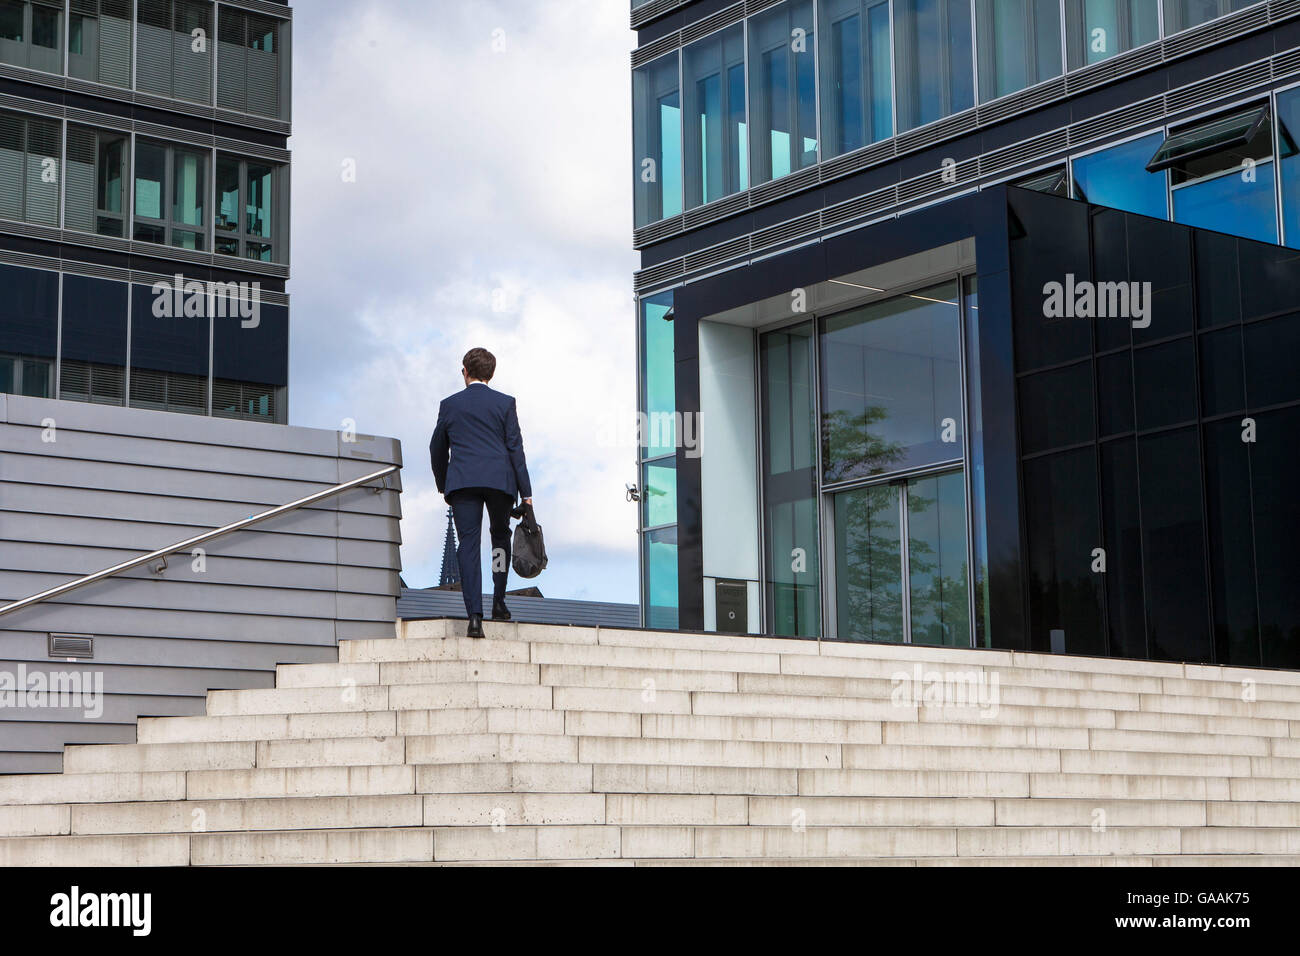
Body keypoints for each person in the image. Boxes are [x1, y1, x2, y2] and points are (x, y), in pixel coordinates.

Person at [429, 348, 533, 638]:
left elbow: (436, 447)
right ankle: (499, 599)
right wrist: (526, 494)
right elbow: (516, 450)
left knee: (469, 546)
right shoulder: (505, 403)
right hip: (500, 483)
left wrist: (443, 482)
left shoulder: (450, 405)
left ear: (465, 371)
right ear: (492, 373)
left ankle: (474, 616)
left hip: (463, 482)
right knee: (499, 538)